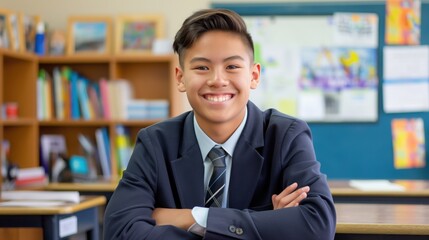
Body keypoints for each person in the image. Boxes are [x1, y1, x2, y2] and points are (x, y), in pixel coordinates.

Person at [104, 8, 336, 240]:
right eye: (202, 67)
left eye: (232, 67)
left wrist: (194, 219)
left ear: (254, 76)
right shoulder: (155, 142)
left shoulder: (286, 135)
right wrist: (267, 223)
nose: (217, 80)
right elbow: (119, 231)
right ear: (180, 78)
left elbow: (318, 224)